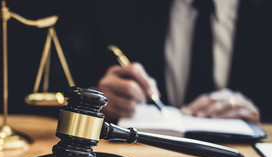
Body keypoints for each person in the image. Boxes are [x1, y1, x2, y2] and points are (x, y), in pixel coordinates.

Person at [89, 0, 272, 123]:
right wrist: (96, 99)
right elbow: (70, 83)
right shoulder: (115, 9)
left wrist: (259, 118)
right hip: (147, 156)